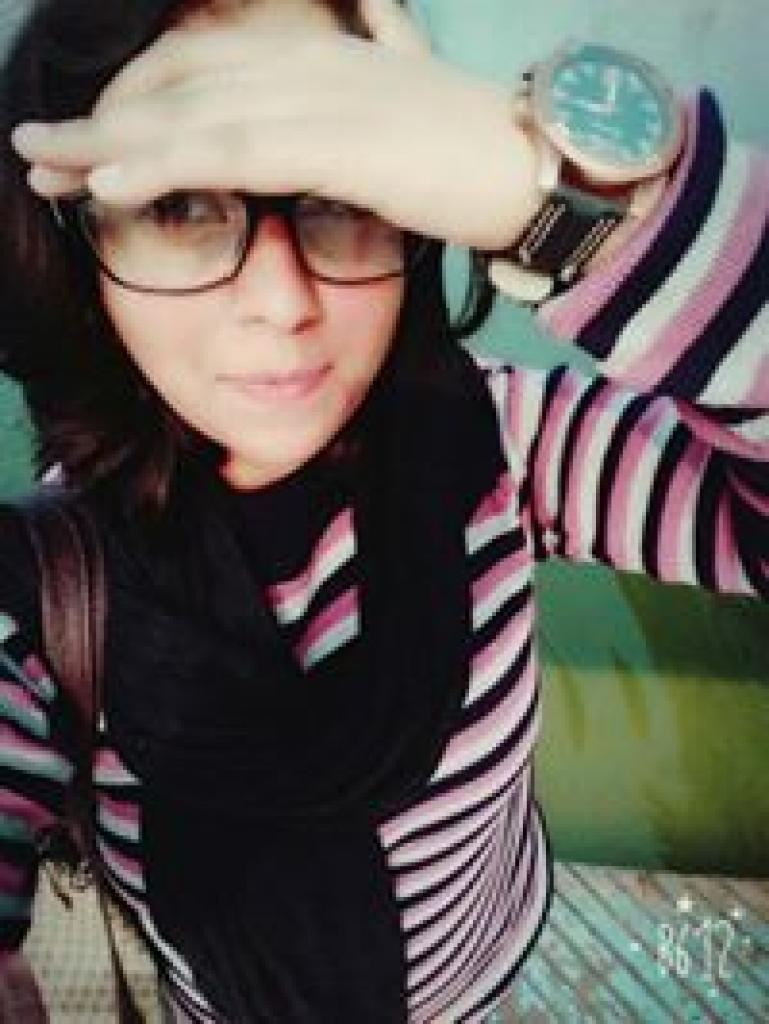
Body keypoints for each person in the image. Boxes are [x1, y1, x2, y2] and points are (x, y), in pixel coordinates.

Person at [0, 0, 766, 1020]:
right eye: (179, 206)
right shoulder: (45, 594)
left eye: (338, 194)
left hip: (482, 980)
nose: (283, 302)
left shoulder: (501, 444)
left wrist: (551, 199)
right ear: (75, 242)